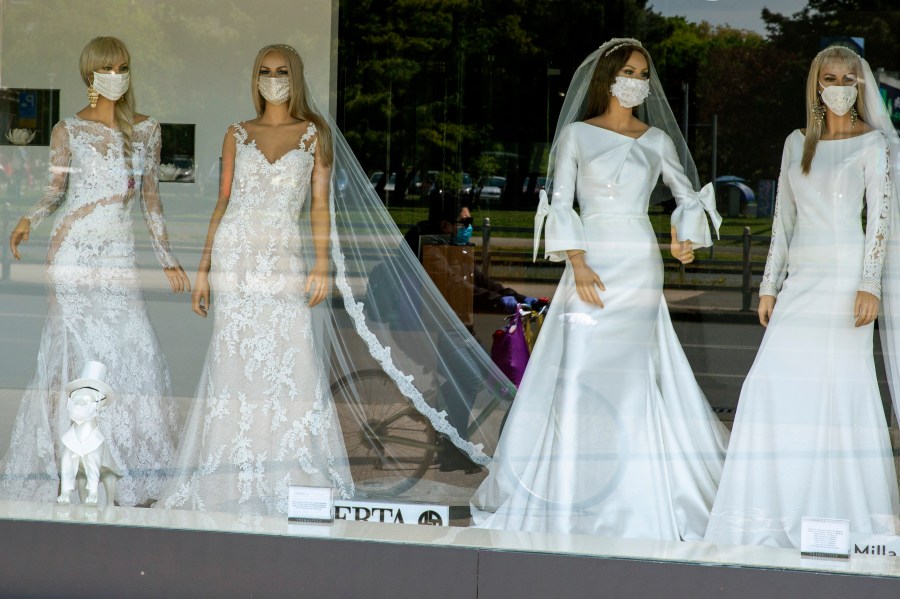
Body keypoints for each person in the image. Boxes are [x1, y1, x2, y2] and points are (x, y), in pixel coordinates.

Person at [471, 38, 729, 540]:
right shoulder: (576, 135)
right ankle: (574, 487)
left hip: (638, 261)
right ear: (609, 77)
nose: (637, 80)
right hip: (591, 262)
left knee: (632, 376)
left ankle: (635, 497)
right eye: (629, 70)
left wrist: (684, 239)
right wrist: (578, 261)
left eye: (643, 73)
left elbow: (685, 194)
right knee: (581, 370)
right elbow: (562, 201)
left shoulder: (657, 140)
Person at [704, 45, 900, 549]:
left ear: (860, 87)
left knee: (838, 393)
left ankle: (842, 519)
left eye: (849, 79)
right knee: (770, 386)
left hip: (845, 280)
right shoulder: (797, 143)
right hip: (800, 282)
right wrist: (769, 286)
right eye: (830, 77)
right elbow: (782, 222)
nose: (839, 86)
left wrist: (869, 284)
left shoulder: (873, 143)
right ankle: (768, 516)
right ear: (816, 83)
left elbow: (880, 220)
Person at [156, 44, 354, 514]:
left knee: (290, 354)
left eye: (281, 70)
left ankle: (286, 467)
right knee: (234, 357)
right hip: (236, 257)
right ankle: (227, 472)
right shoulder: (236, 134)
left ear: (296, 76)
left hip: (283, 257)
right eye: (264, 71)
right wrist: (204, 269)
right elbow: (222, 202)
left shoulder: (314, 136)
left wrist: (321, 263)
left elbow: (320, 206)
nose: (273, 78)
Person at [1, 36, 190, 506]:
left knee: (132, 350)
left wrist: (167, 257)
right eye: (107, 67)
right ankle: (73, 469)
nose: (116, 74)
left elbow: (152, 199)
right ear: (90, 74)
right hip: (73, 253)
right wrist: (30, 218)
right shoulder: (68, 129)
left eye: (123, 66)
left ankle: (126, 464)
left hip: (118, 257)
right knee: (73, 359)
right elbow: (55, 191)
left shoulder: (146, 130)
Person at [404, 200, 540, 315]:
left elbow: (479, 279)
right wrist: (498, 300)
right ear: (445, 225)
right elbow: (454, 284)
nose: (469, 227)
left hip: (452, 319)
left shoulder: (453, 246)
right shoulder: (430, 249)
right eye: (465, 221)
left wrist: (520, 298)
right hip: (425, 322)